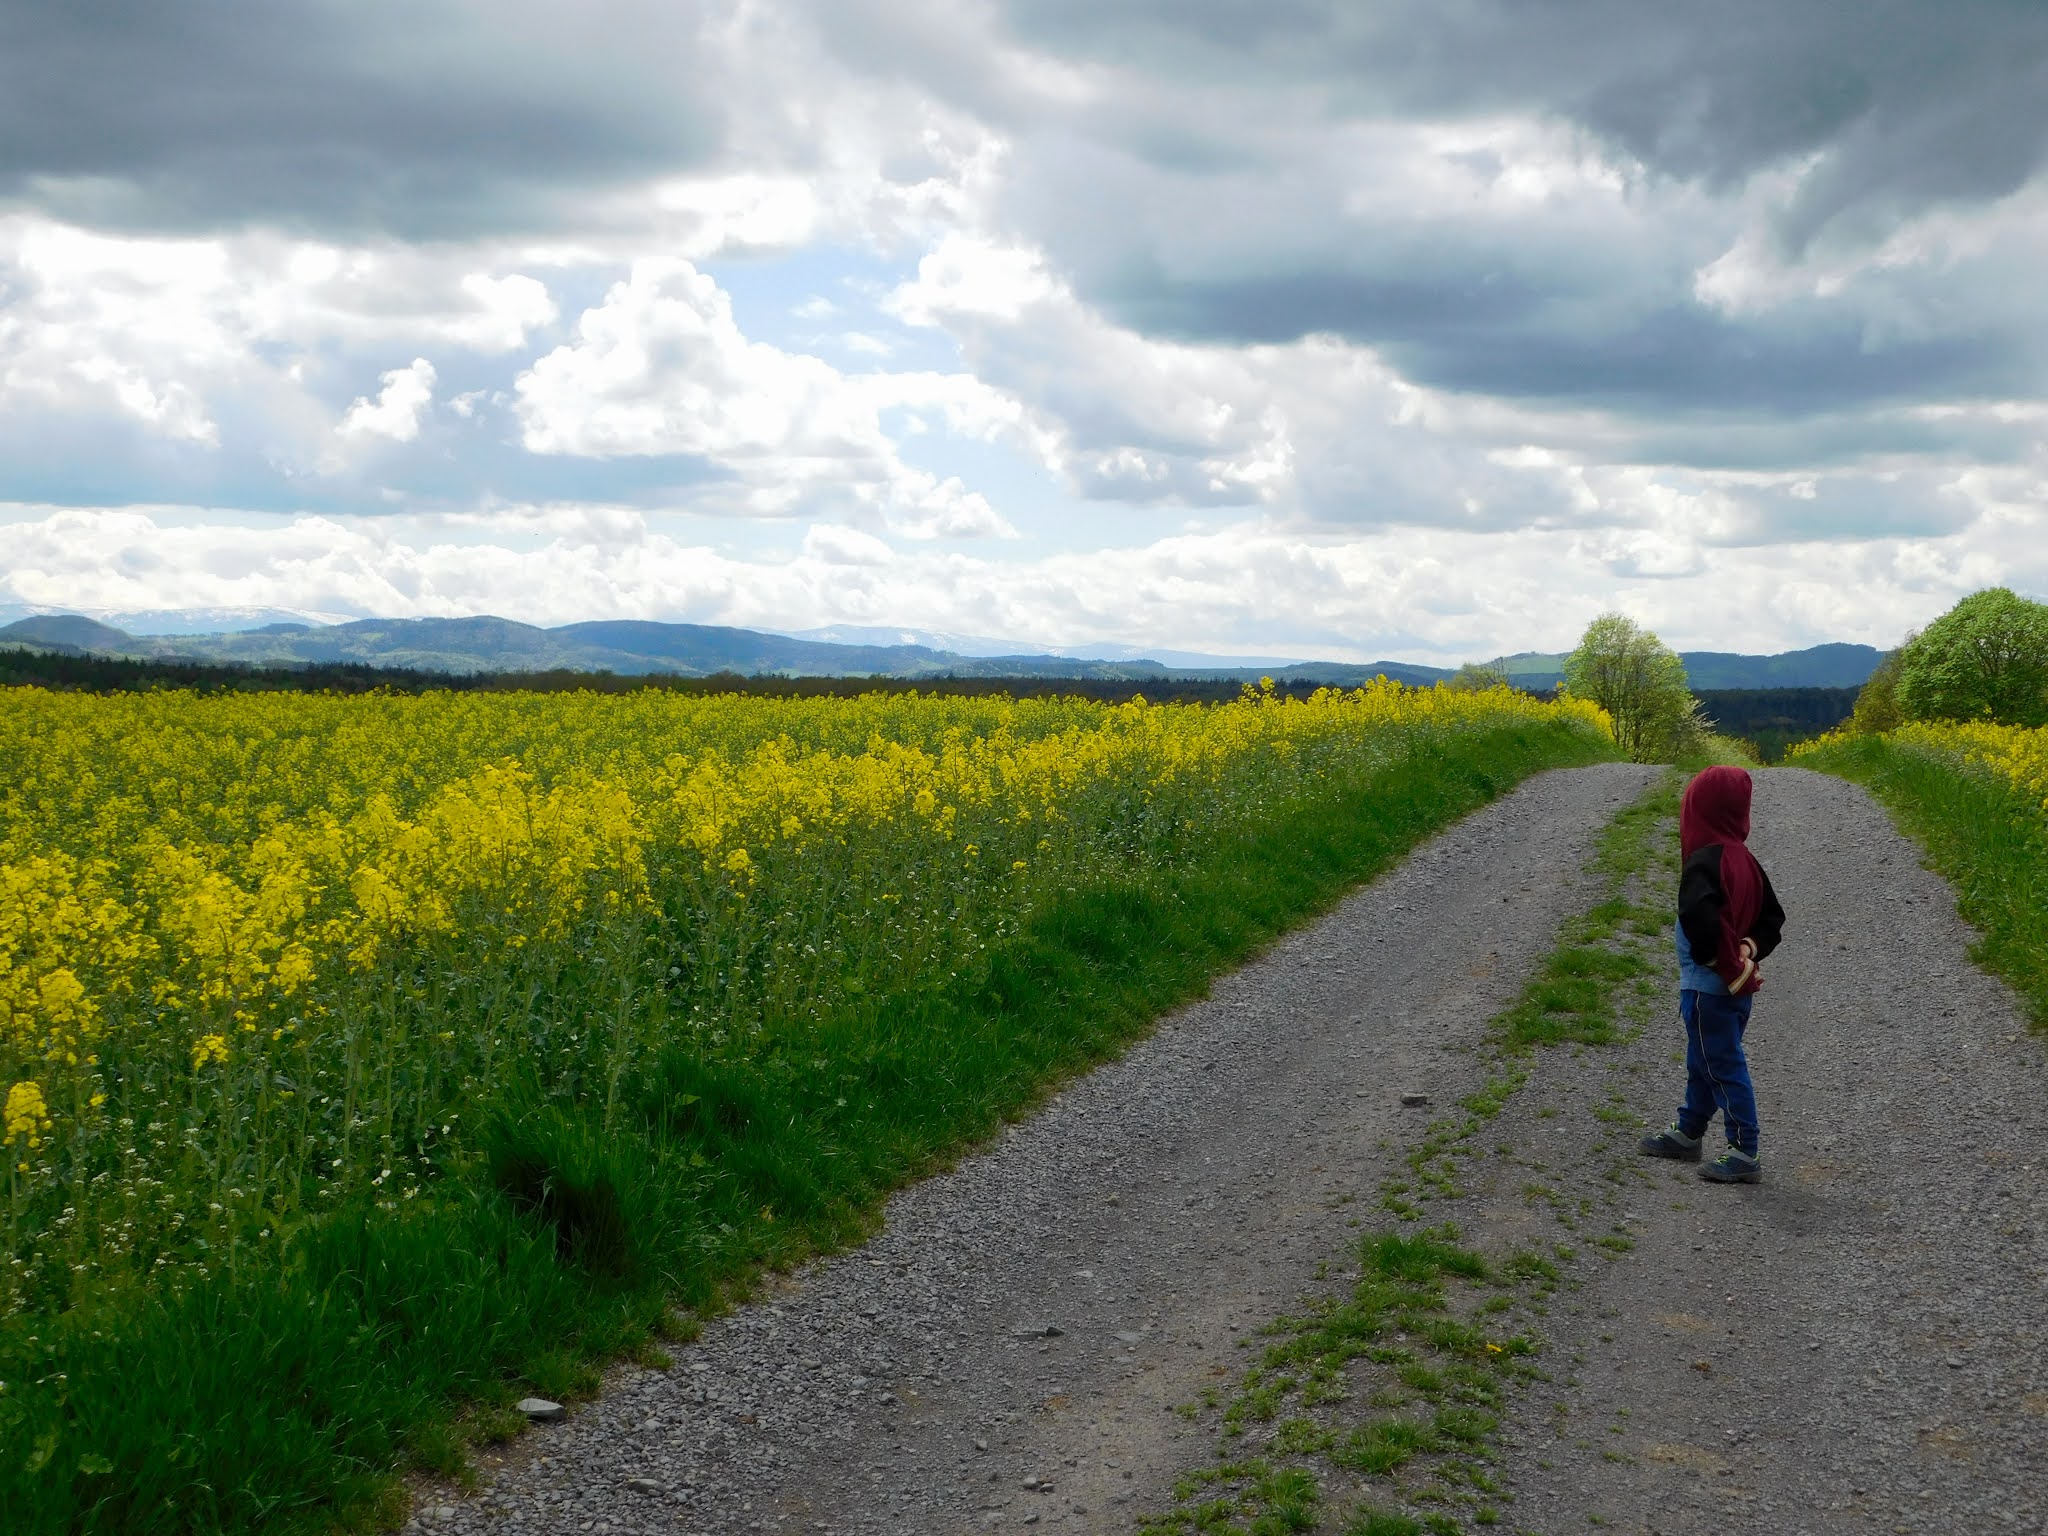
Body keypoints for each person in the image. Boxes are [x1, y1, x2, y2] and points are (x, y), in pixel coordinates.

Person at [1639, 765, 1786, 1184]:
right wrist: (1748, 950)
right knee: (1703, 1060)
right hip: (1736, 991)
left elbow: (1700, 921)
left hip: (1709, 989)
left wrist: (1726, 962)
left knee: (1722, 1064)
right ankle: (1689, 1129)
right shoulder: (1746, 860)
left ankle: (1744, 1149)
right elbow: (1772, 917)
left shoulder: (1702, 862)